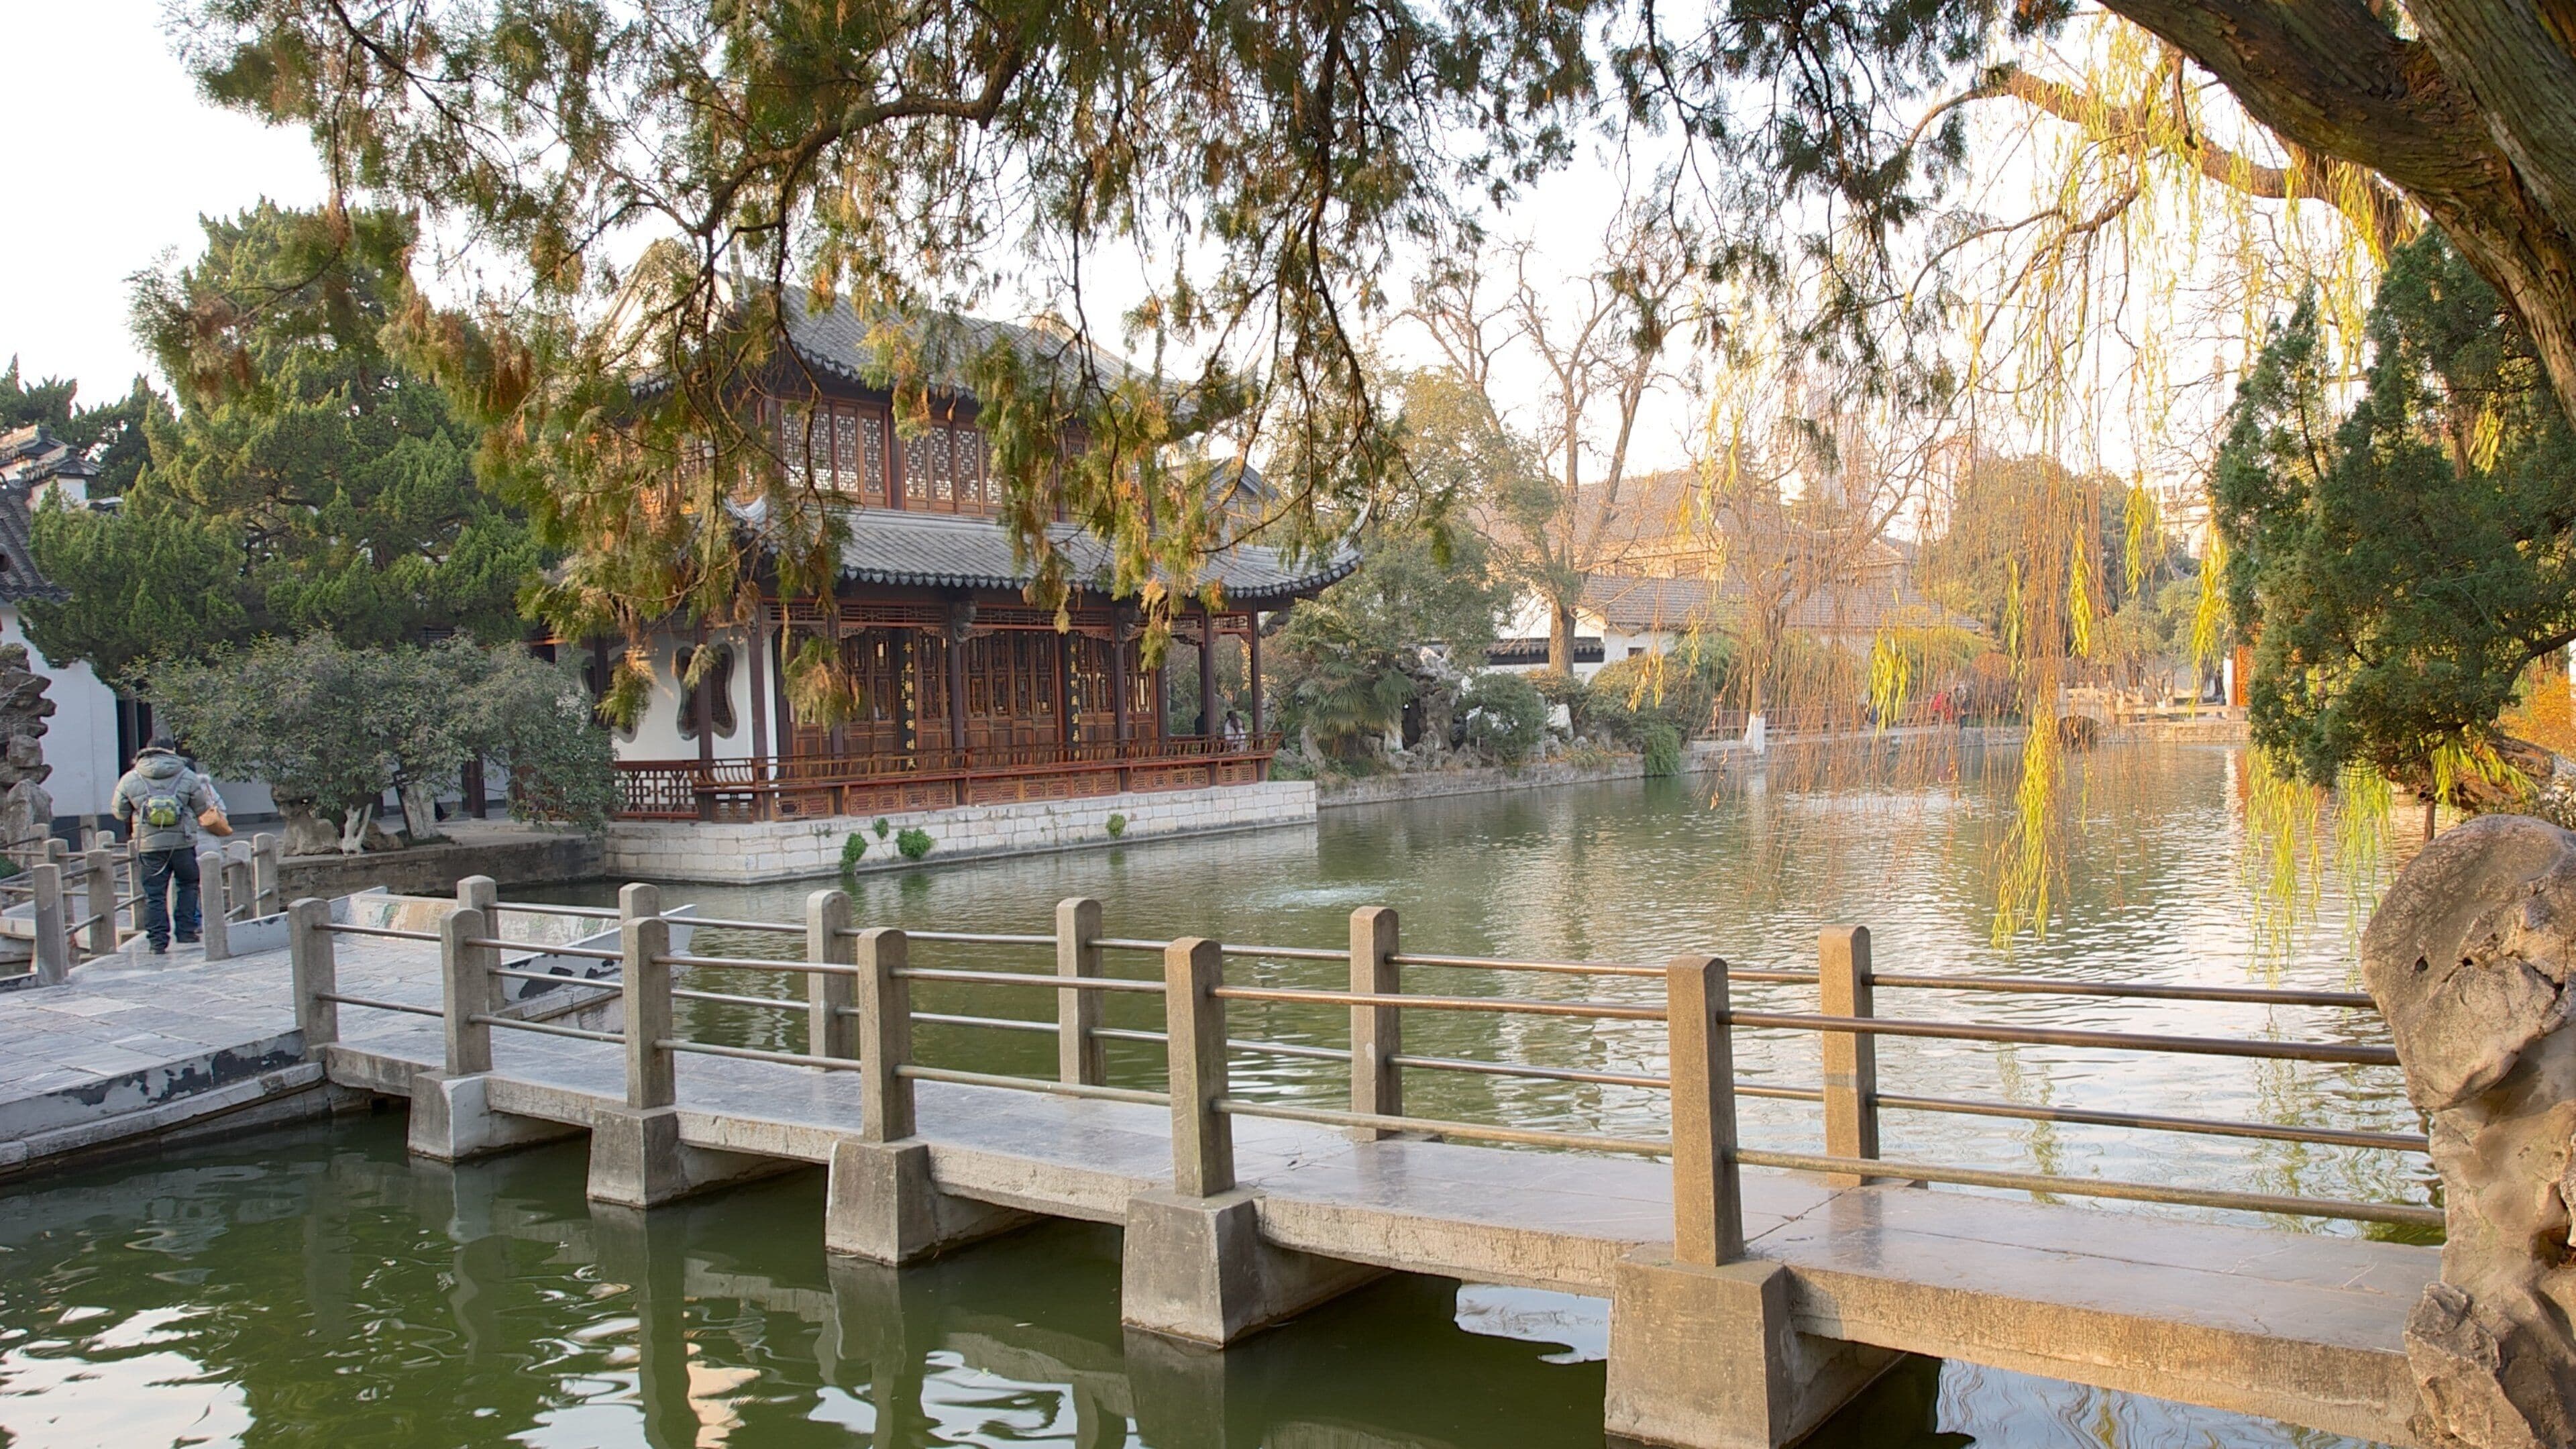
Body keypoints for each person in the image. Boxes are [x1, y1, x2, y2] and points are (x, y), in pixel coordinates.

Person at [110, 737, 227, 954]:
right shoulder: (187, 775)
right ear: (170, 752)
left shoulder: (130, 778)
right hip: (182, 842)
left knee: (154, 893)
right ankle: (185, 931)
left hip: (149, 845)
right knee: (188, 884)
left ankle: (157, 942)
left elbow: (119, 812)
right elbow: (201, 808)